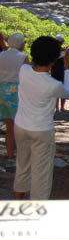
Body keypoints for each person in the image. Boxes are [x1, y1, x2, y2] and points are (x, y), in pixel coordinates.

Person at [13, 36, 69, 199]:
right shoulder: (53, 85)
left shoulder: (23, 70)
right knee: (41, 175)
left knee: (22, 167)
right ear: (54, 60)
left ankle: (16, 204)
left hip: (20, 126)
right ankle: (37, 210)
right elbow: (68, 91)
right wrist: (67, 66)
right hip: (42, 130)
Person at [0, 32, 29, 170]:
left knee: (9, 126)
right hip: (17, 91)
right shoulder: (23, 57)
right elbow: (29, 75)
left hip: (2, 91)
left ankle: (10, 156)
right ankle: (22, 157)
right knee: (21, 126)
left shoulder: (1, 55)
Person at [50, 34, 68, 112]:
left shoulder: (52, 51)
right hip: (61, 71)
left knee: (56, 89)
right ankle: (61, 107)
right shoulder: (62, 51)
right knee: (62, 89)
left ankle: (57, 107)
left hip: (54, 71)